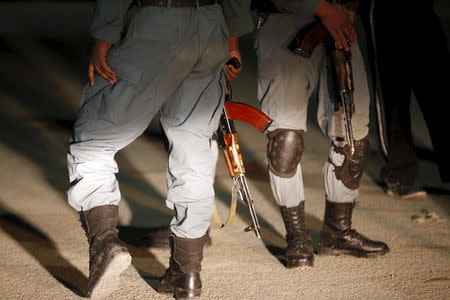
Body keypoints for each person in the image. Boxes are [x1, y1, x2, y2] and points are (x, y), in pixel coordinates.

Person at [67, 0, 251, 298]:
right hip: (212, 26)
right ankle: (186, 272)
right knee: (193, 146)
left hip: (158, 23)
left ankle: (105, 245)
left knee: (91, 142)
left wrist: (104, 37)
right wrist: (232, 40)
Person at [254, 0, 389, 268]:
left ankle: (337, 232)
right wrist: (321, 8)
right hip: (288, 19)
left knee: (352, 135)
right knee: (285, 141)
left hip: (340, 23)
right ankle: (297, 238)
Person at [365, 0, 450, 199]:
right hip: (384, 9)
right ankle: (400, 171)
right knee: (392, 98)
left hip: (421, 7)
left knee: (440, 91)